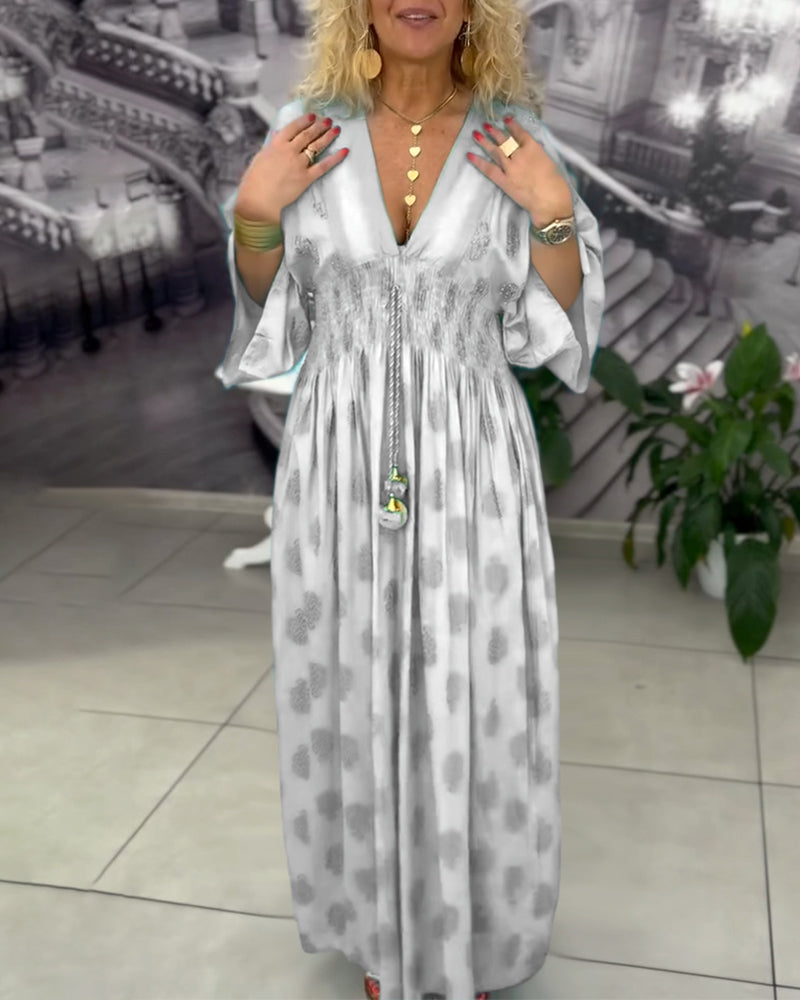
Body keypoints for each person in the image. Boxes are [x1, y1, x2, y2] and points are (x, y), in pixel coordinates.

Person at [216, 2, 605, 998]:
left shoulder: (512, 137)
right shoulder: (308, 132)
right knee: (350, 682)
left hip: (472, 459)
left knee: (474, 689)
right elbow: (270, 302)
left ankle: (470, 929)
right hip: (337, 459)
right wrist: (255, 211)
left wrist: (551, 206)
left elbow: (560, 316)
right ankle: (381, 933)